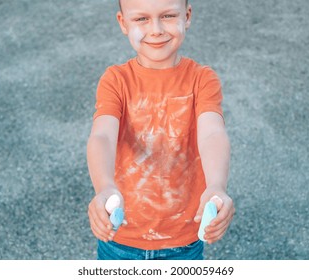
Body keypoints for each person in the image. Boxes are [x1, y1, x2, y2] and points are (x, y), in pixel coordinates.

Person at [87, 0, 234, 260]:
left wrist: (217, 186)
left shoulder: (202, 79)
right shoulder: (115, 81)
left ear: (187, 16)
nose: (155, 29)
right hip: (120, 236)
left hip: (184, 239)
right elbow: (102, 136)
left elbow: (213, 133)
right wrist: (104, 186)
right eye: (141, 19)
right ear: (123, 23)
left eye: (167, 16)